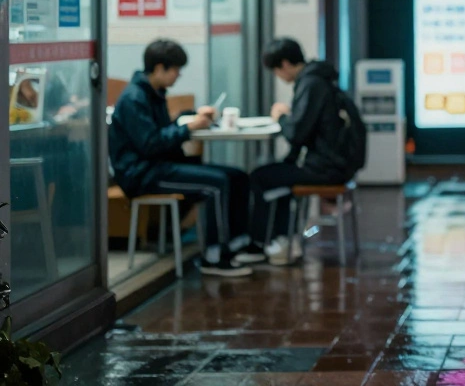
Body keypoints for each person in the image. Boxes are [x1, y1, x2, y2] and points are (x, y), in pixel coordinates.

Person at [108, 39, 255, 278]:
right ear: (159, 68)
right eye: (175, 69)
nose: (178, 76)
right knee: (216, 183)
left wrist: (189, 118)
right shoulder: (135, 98)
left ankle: (238, 245)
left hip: (158, 165)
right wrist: (188, 129)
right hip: (141, 173)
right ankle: (215, 258)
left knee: (236, 176)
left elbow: (160, 132)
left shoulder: (153, 93)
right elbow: (150, 144)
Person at [241, 38, 357, 265]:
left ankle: (265, 243)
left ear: (284, 64)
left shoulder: (310, 84)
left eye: (276, 70)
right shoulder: (320, 78)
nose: (279, 76)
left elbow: (297, 133)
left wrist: (281, 116)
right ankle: (284, 238)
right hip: (335, 164)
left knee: (259, 177)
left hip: (325, 168)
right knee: (278, 175)